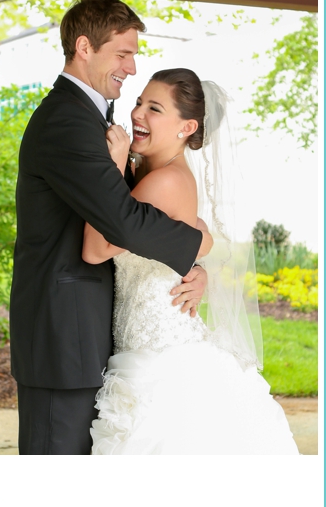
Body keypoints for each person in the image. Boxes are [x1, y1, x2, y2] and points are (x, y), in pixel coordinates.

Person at [10, 0, 213, 455]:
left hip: (93, 332)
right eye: (123, 54)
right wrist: (197, 243)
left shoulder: (90, 117)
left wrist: (190, 268)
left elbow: (127, 214)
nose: (131, 66)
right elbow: (120, 222)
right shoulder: (67, 121)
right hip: (63, 335)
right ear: (84, 47)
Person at [85, 69, 298, 454]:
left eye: (154, 108)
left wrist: (110, 167)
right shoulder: (152, 175)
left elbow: (96, 248)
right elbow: (197, 236)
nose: (137, 115)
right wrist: (200, 266)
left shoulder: (164, 181)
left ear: (187, 127)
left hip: (161, 353)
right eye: (138, 103)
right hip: (151, 343)